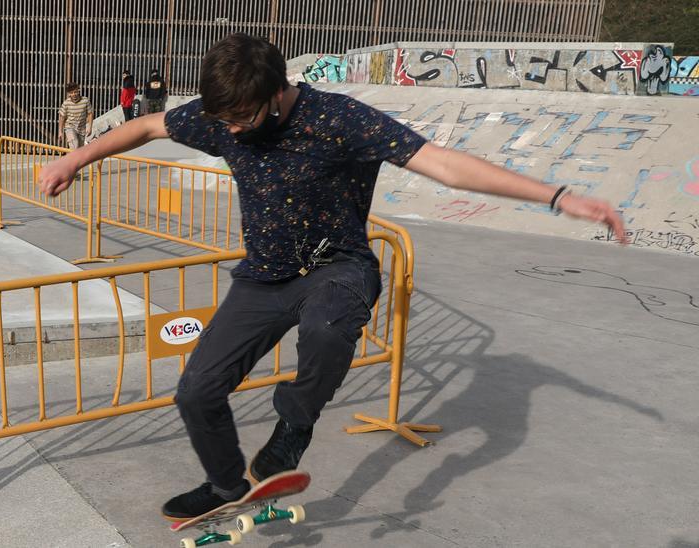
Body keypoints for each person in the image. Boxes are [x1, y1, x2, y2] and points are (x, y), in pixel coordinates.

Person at [37, 33, 626, 521]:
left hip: (336, 267)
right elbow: (146, 127)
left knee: (324, 329)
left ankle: (293, 428)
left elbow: (443, 164)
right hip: (264, 277)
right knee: (196, 392)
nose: (233, 133)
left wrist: (557, 195)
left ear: (274, 93)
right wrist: (73, 158)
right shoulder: (223, 119)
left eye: (242, 119)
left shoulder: (340, 119)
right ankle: (224, 485)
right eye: (225, 122)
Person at [57, 82, 93, 150]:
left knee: (80, 149)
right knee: (74, 144)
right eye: (71, 93)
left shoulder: (85, 100)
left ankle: (73, 160)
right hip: (70, 127)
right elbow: (62, 117)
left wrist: (90, 127)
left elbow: (90, 114)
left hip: (81, 129)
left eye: (75, 92)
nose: (74, 94)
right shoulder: (66, 103)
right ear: (69, 94)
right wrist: (60, 131)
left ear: (78, 90)